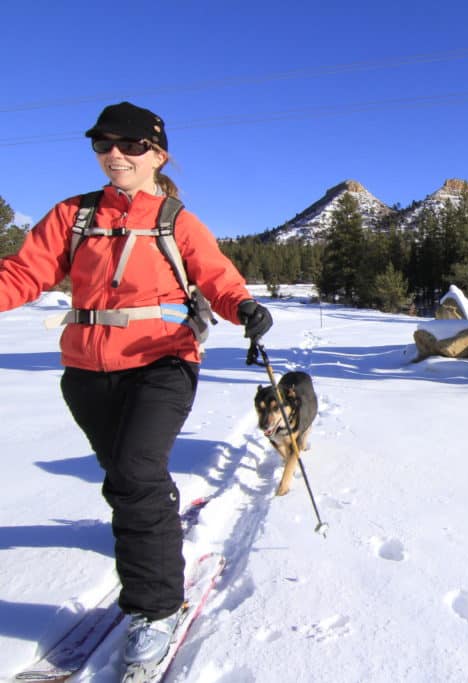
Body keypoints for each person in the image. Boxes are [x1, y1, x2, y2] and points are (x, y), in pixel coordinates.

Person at [0, 101, 273, 666]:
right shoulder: (72, 216)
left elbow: (216, 276)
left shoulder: (175, 220)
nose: (115, 154)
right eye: (103, 144)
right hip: (86, 373)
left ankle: (156, 607)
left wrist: (243, 305)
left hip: (163, 363)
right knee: (125, 475)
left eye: (129, 144)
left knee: (135, 472)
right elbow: (23, 274)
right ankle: (148, 526)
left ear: (157, 153)